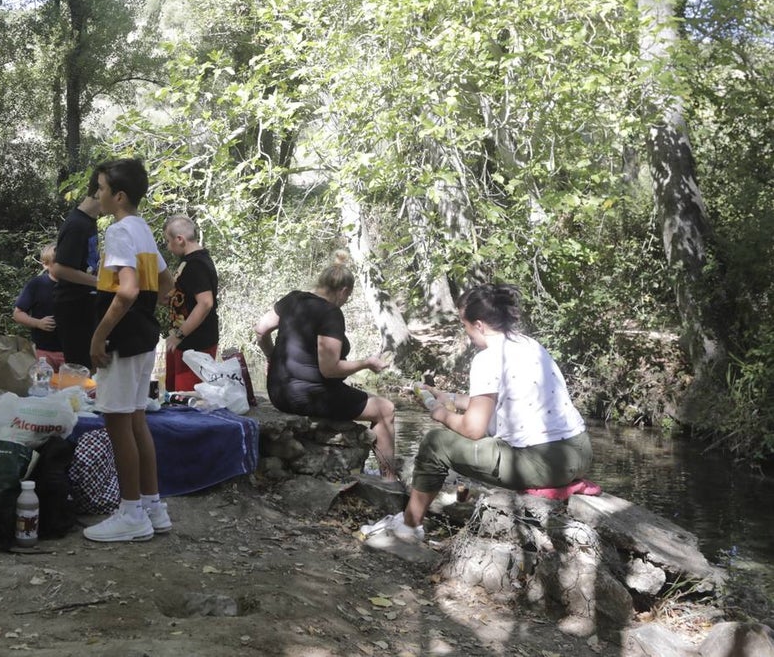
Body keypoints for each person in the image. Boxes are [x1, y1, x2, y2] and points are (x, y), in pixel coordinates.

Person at [379, 283, 592, 543]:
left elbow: (473, 429)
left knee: (435, 443)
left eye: (465, 325)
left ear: (479, 325)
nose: (465, 332)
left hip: (543, 463)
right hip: (580, 452)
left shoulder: (487, 358)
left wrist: (439, 413)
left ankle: (408, 528)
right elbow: (502, 402)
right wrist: (450, 399)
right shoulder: (529, 345)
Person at [83, 158, 175, 542]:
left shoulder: (120, 231)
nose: (98, 195)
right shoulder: (144, 231)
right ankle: (152, 506)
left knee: (117, 423)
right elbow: (168, 285)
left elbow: (127, 289)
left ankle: (130, 512)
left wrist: (98, 336)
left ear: (119, 196)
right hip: (144, 337)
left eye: (102, 188)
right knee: (136, 420)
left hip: (122, 338)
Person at [254, 252, 401, 483]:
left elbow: (261, 329)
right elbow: (330, 370)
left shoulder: (293, 299)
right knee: (385, 410)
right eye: (347, 297)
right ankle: (389, 481)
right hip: (308, 396)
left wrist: (271, 356)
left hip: (278, 392)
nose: (345, 301)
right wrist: (366, 363)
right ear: (343, 291)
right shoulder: (331, 313)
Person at [162, 215, 219, 392]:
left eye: (167, 241)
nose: (167, 246)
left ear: (180, 239)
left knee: (188, 401)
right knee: (174, 396)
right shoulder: (189, 262)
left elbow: (205, 303)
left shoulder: (197, 264)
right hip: (182, 343)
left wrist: (179, 335)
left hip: (196, 344)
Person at [50, 185, 101, 370]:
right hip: (72, 307)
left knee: (90, 367)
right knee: (80, 369)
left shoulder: (89, 221)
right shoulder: (76, 224)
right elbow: (59, 269)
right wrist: (100, 283)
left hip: (86, 304)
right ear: (99, 191)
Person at [12, 243, 65, 372]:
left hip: (71, 352)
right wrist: (38, 323)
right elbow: (17, 314)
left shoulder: (76, 285)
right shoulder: (37, 284)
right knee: (45, 389)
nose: (63, 266)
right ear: (46, 264)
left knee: (71, 390)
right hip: (43, 352)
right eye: (58, 262)